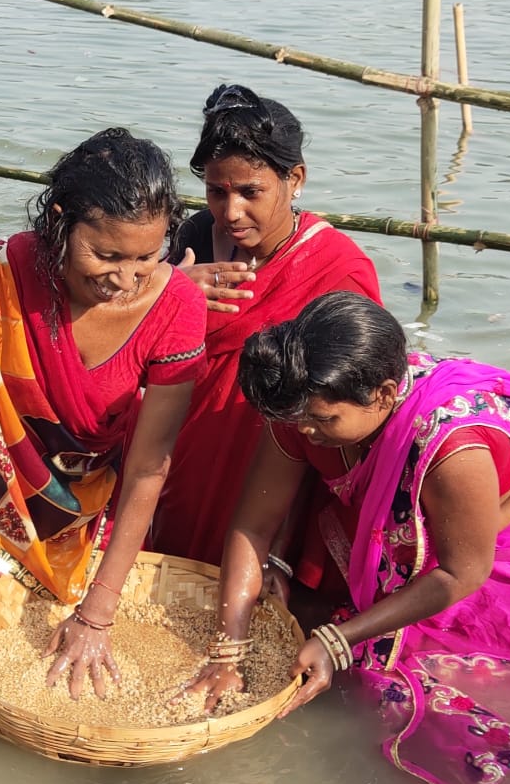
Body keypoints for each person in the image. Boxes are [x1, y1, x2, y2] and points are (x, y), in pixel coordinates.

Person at [188, 292, 510, 784]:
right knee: (372, 626)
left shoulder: (451, 446)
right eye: (300, 420)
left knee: (476, 650)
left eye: (323, 421)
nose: (305, 432)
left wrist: (338, 640)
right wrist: (227, 652)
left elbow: (461, 572)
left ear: (385, 396)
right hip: (430, 477)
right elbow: (253, 525)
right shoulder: (302, 405)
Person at [0, 128, 207, 699]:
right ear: (59, 222)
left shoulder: (177, 306)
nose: (125, 280)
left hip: (96, 513)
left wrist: (98, 613)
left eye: (147, 257)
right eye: (105, 255)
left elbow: (150, 467)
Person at [150, 84, 380, 583]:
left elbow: (345, 406)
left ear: (294, 180)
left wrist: (280, 543)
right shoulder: (192, 239)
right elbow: (140, 340)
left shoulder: (338, 270)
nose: (230, 212)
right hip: (186, 449)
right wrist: (169, 290)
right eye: (217, 191)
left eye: (250, 192)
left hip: (275, 465)